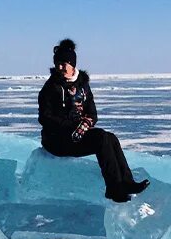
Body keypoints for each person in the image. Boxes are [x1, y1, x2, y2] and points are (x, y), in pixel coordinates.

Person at [38, 38, 150, 203]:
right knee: (100, 139)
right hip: (56, 140)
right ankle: (114, 188)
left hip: (76, 134)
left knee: (110, 137)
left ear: (72, 64)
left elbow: (92, 112)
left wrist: (86, 123)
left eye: (64, 63)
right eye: (58, 63)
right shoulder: (51, 88)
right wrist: (72, 125)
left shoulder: (83, 86)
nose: (60, 67)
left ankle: (127, 182)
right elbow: (45, 118)